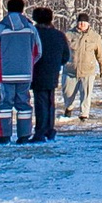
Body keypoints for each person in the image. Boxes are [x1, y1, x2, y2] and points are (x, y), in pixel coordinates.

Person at [0, 0, 43, 144]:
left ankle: (4, 135)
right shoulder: (31, 28)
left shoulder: (0, 28)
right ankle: (24, 135)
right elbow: (38, 51)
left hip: (5, 73)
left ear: (7, 9)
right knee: (24, 104)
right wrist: (28, 64)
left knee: (5, 104)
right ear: (23, 9)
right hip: (25, 73)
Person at [32, 7, 68, 142]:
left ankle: (40, 131)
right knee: (50, 100)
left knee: (40, 101)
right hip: (52, 71)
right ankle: (50, 129)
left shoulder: (34, 34)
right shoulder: (59, 35)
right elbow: (66, 56)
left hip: (37, 71)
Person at [64, 15, 102, 122]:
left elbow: (100, 55)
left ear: (88, 24)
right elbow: (61, 51)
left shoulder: (95, 37)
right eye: (80, 22)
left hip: (88, 71)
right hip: (70, 70)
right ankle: (68, 107)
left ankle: (84, 114)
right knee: (68, 93)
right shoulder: (68, 35)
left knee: (86, 94)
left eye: (84, 22)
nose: (82, 24)